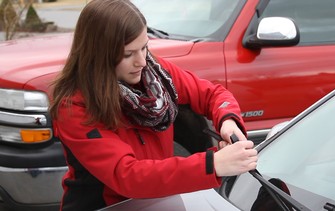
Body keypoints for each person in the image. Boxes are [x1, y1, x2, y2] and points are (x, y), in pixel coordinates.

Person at [49, 0, 258, 210]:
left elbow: (211, 94)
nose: (141, 61)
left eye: (144, 47)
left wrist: (228, 121)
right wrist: (212, 165)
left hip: (158, 201)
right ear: (98, 54)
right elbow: (127, 175)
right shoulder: (74, 106)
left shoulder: (156, 75)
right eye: (128, 54)